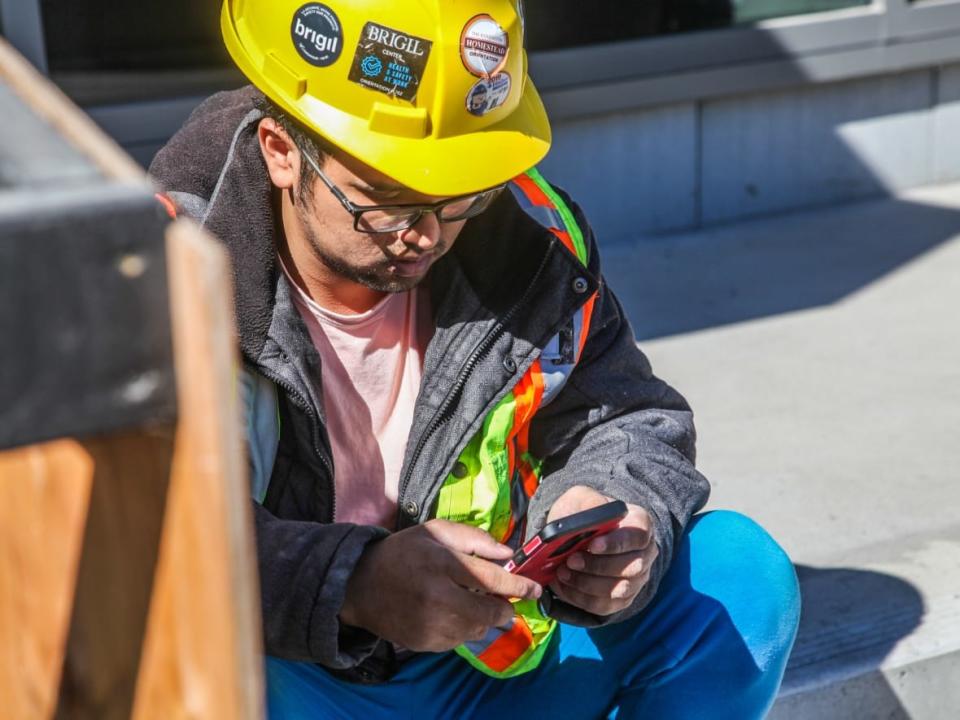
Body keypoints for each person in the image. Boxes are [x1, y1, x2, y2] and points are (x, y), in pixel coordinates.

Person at [150, 1, 801, 717]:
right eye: (388, 201)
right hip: (290, 675)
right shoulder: (161, 273)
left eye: (460, 196)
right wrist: (354, 585)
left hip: (489, 661)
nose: (427, 236)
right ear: (280, 150)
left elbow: (627, 415)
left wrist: (613, 512)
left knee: (739, 578)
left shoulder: (530, 240)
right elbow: (143, 543)